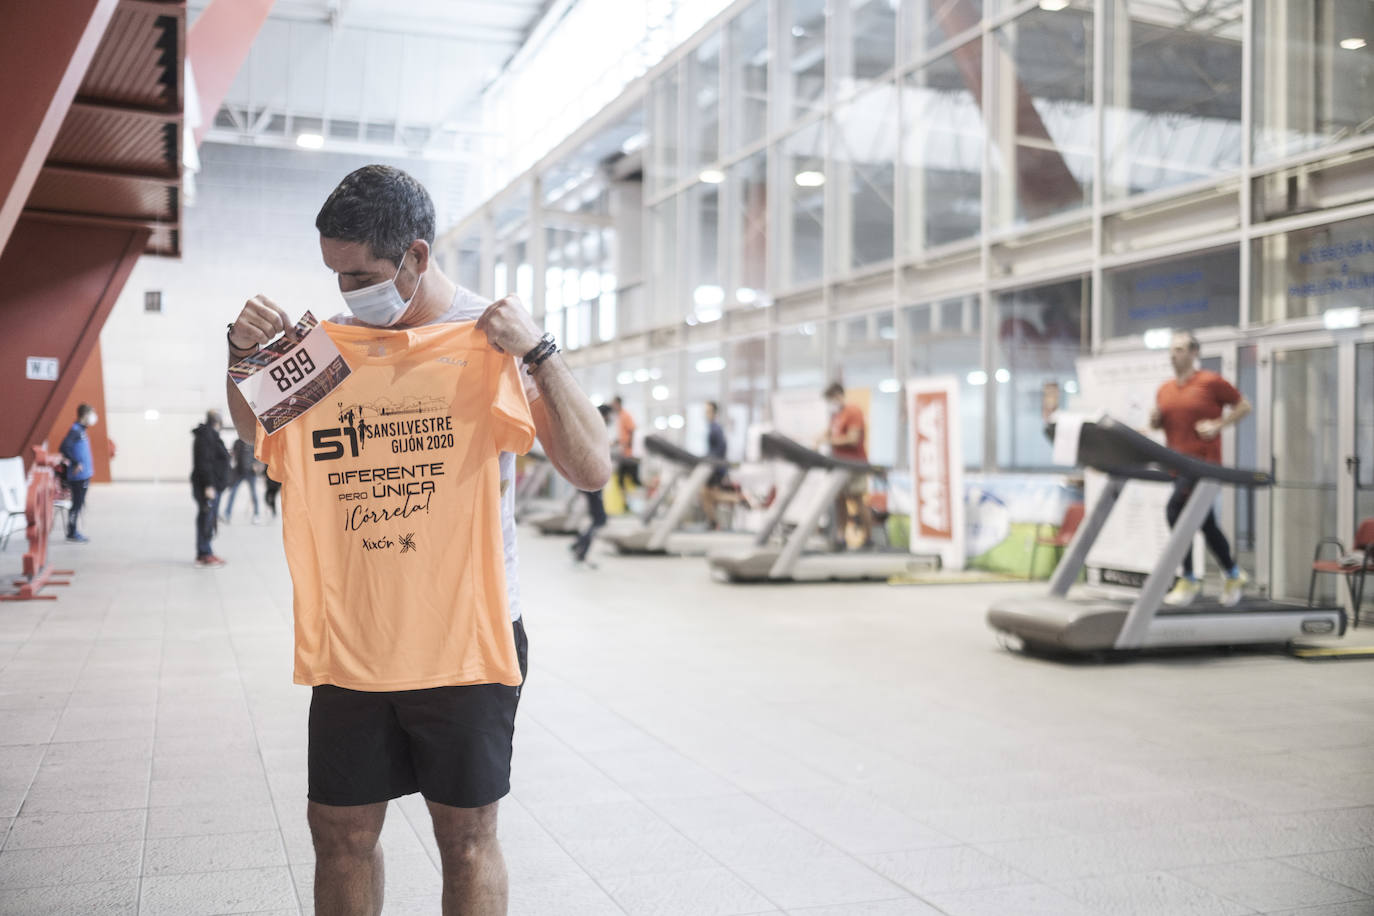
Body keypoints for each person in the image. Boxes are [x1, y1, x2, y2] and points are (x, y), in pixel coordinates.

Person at [224, 165, 609, 916]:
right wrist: (240, 357)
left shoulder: (485, 339)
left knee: (466, 841)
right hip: (353, 637)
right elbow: (256, 432)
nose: (346, 292)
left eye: (361, 274)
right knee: (337, 833)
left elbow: (591, 469)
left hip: (466, 639)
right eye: (334, 275)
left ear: (417, 257)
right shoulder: (327, 351)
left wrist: (540, 352)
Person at [1149, 330, 1252, 607]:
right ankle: (1232, 573)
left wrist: (1218, 425)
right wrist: (1155, 420)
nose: (1174, 354)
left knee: (1174, 512)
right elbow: (1162, 426)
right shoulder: (1165, 389)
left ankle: (1190, 578)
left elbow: (1244, 406)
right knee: (1205, 523)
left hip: (1203, 466)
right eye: (1172, 349)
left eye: (1180, 349)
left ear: (1194, 353)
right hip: (1177, 466)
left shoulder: (1210, 382)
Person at [820, 382, 873, 548]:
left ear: (838, 396)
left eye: (831, 400)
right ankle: (840, 537)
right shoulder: (836, 416)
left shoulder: (853, 411)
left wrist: (829, 440)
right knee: (839, 500)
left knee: (857, 500)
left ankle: (868, 538)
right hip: (839, 465)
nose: (830, 404)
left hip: (854, 464)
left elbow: (853, 438)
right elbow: (827, 434)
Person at [570, 404, 614, 567]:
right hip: (591, 480)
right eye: (609, 416)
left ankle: (578, 544)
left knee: (597, 517)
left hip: (587, 479)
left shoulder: (588, 428)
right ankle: (580, 549)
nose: (611, 420)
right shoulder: (594, 429)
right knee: (600, 518)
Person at [190, 410, 231, 568]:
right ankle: (204, 554)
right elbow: (204, 462)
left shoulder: (209, 435)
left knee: (208, 518)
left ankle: (206, 551)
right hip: (208, 486)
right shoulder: (206, 436)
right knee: (206, 518)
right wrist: (209, 485)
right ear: (217, 422)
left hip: (212, 485)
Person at [58, 404, 98, 543]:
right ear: (84, 415)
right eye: (91, 414)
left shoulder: (81, 430)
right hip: (78, 476)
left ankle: (73, 531)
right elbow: (64, 447)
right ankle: (72, 532)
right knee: (76, 504)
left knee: (79, 503)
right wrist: (75, 462)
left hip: (84, 475)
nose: (93, 417)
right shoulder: (75, 430)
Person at [699, 400, 731, 529]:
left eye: (708, 411)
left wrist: (716, 465)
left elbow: (721, 449)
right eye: (705, 411)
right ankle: (713, 522)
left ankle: (740, 499)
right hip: (713, 466)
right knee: (707, 496)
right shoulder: (712, 427)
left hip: (715, 469)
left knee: (708, 495)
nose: (706, 414)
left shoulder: (716, 429)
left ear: (714, 412)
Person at [221, 437, 261, 523]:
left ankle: (256, 515)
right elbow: (233, 454)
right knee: (232, 493)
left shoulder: (254, 442)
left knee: (254, 495)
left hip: (251, 473)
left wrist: (257, 465)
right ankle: (227, 514)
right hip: (239, 472)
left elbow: (260, 456)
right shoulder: (237, 442)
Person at [611, 395, 640, 497]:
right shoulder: (620, 416)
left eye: (613, 403)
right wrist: (616, 442)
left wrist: (628, 446)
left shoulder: (625, 415)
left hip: (628, 453)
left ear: (618, 404)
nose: (612, 406)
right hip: (624, 452)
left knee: (633, 480)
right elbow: (624, 434)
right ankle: (626, 502)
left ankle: (638, 499)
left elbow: (632, 430)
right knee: (622, 479)